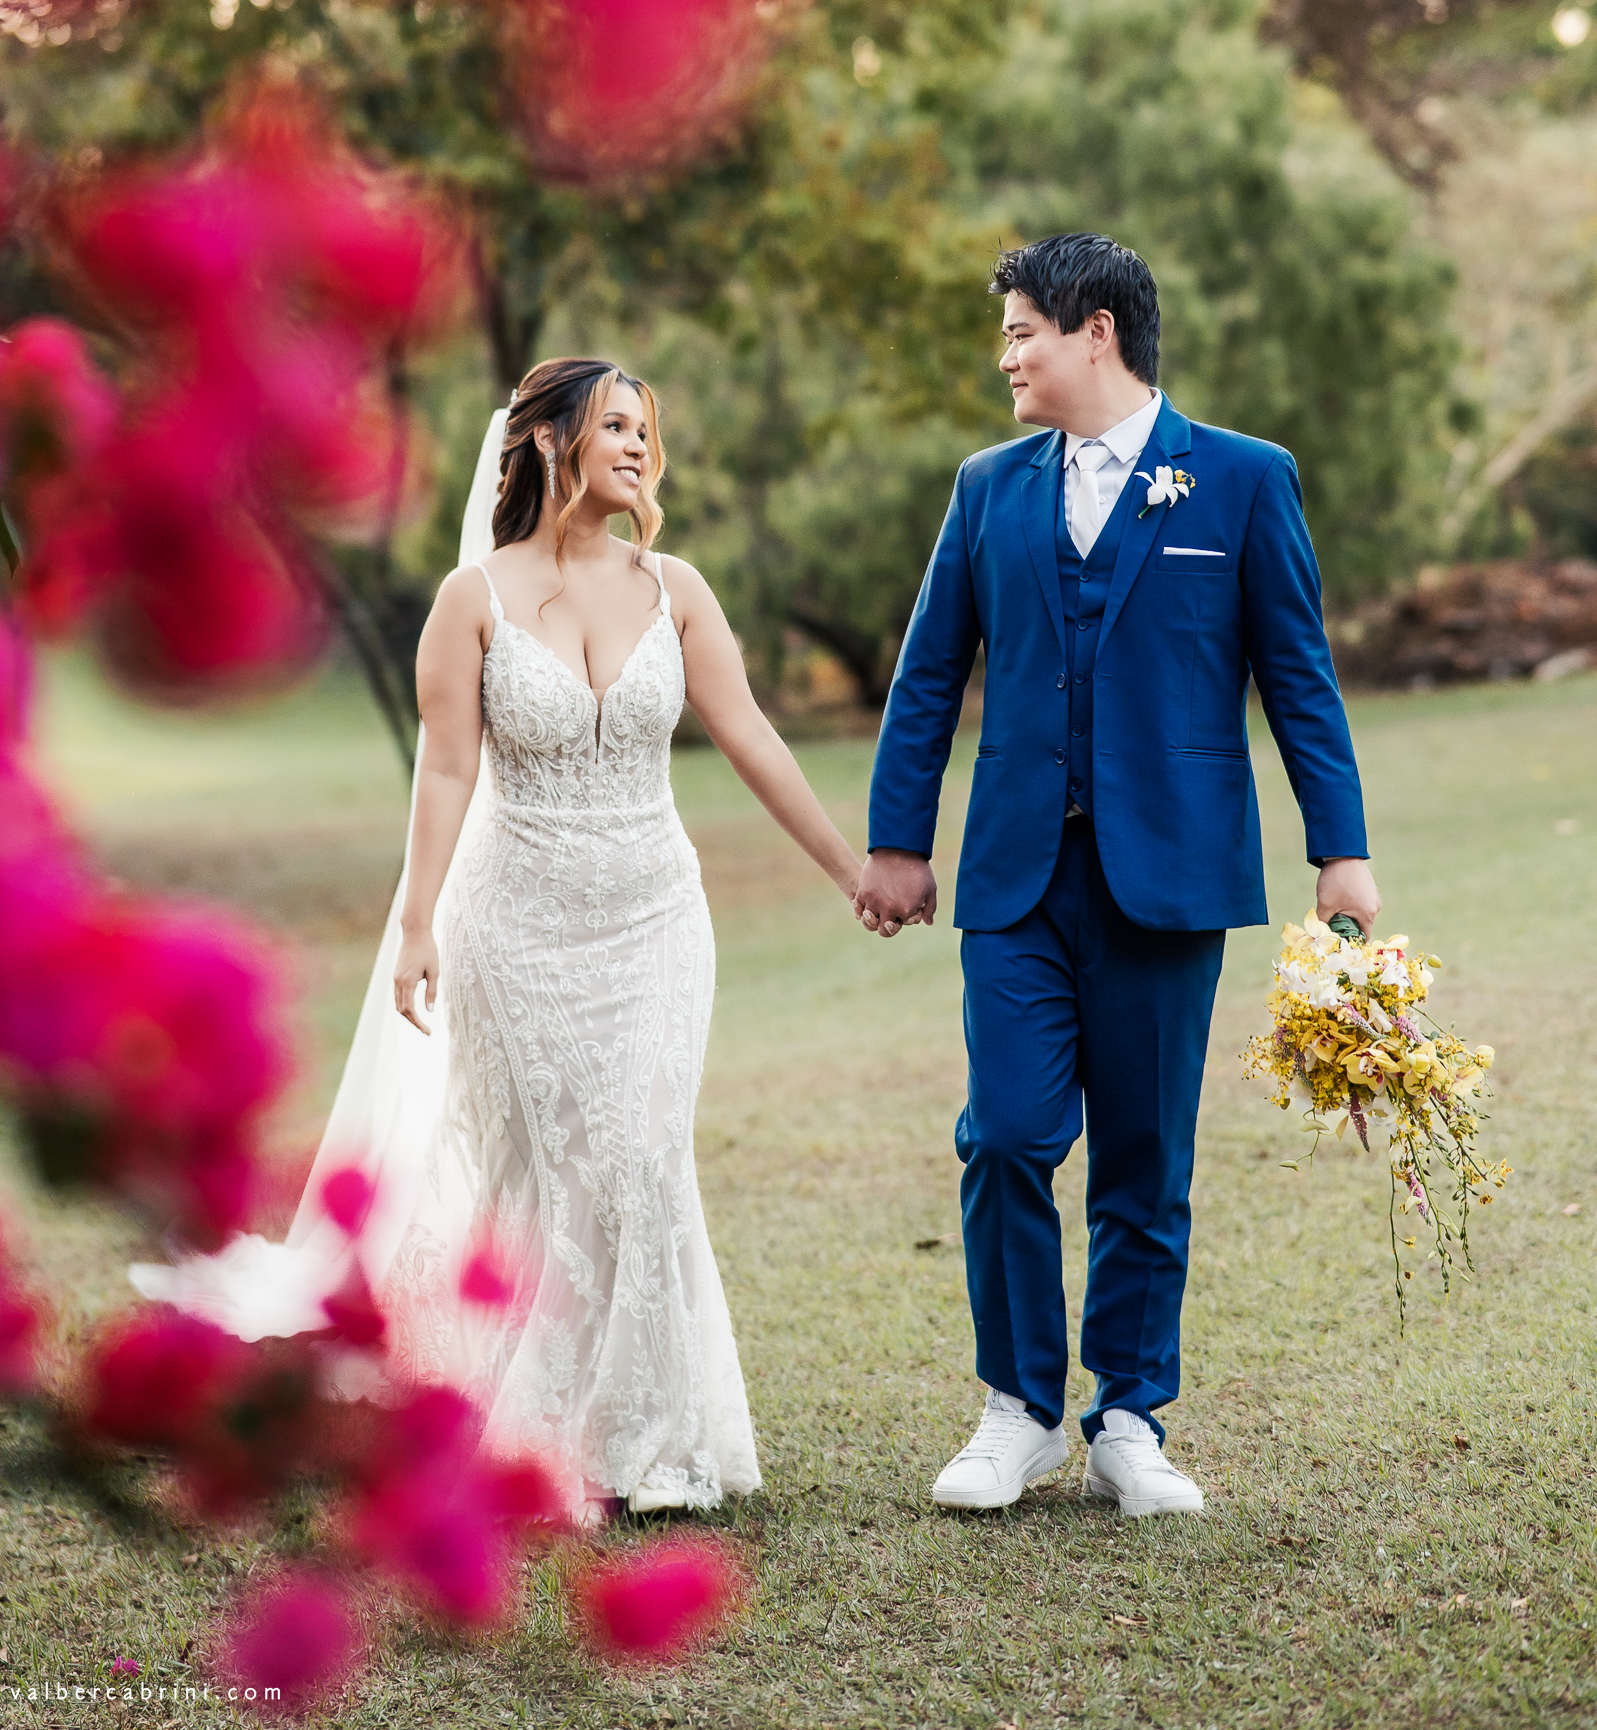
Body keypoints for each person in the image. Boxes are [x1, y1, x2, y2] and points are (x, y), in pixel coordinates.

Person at [135, 357, 862, 1519]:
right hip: (512, 924)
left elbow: (756, 738)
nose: (637, 445)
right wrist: (416, 922)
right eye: (612, 425)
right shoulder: (470, 601)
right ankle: (546, 1430)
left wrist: (851, 871)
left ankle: (645, 1433)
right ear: (545, 444)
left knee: (638, 1155)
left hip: (655, 920)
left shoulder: (677, 589)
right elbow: (448, 769)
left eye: (644, 428)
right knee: (551, 1175)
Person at [854, 233, 1379, 1519]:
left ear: (1097, 331)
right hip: (1017, 878)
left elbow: (1295, 676)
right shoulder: (986, 490)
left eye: (1023, 329)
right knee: (1008, 1137)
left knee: (1146, 1159)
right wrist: (897, 840)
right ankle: (1018, 1409)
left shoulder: (1244, 482)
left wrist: (1340, 851)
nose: (1007, 355)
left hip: (1171, 873)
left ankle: (1128, 1419)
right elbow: (929, 678)